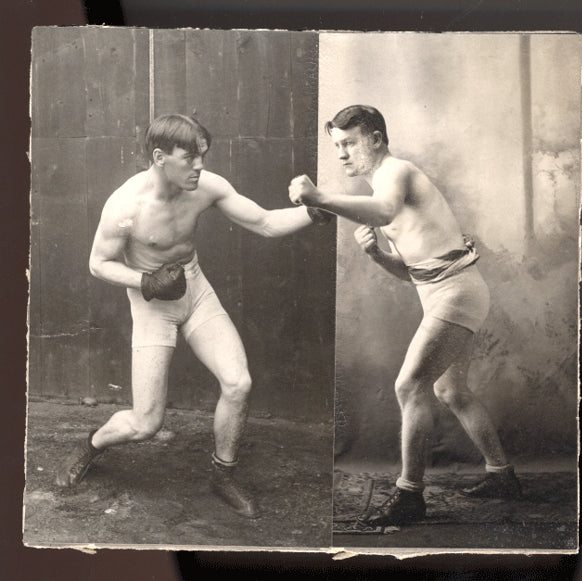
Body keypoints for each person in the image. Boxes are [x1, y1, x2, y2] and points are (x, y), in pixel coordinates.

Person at [55, 113, 332, 519]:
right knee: (146, 423)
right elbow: (98, 264)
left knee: (238, 383)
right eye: (190, 158)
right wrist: (146, 280)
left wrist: (314, 212)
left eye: (203, 156)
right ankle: (93, 444)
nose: (200, 166)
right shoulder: (125, 205)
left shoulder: (207, 186)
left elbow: (266, 222)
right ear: (159, 157)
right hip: (152, 304)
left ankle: (223, 475)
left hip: (196, 290)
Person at [288, 104, 521, 527]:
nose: (342, 155)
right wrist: (378, 255)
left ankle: (410, 496)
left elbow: (384, 212)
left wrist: (320, 197)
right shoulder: (382, 186)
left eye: (349, 143)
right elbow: (412, 273)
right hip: (444, 293)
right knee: (451, 391)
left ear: (376, 138)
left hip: (458, 294)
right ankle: (502, 475)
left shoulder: (396, 173)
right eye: (337, 146)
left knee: (410, 385)